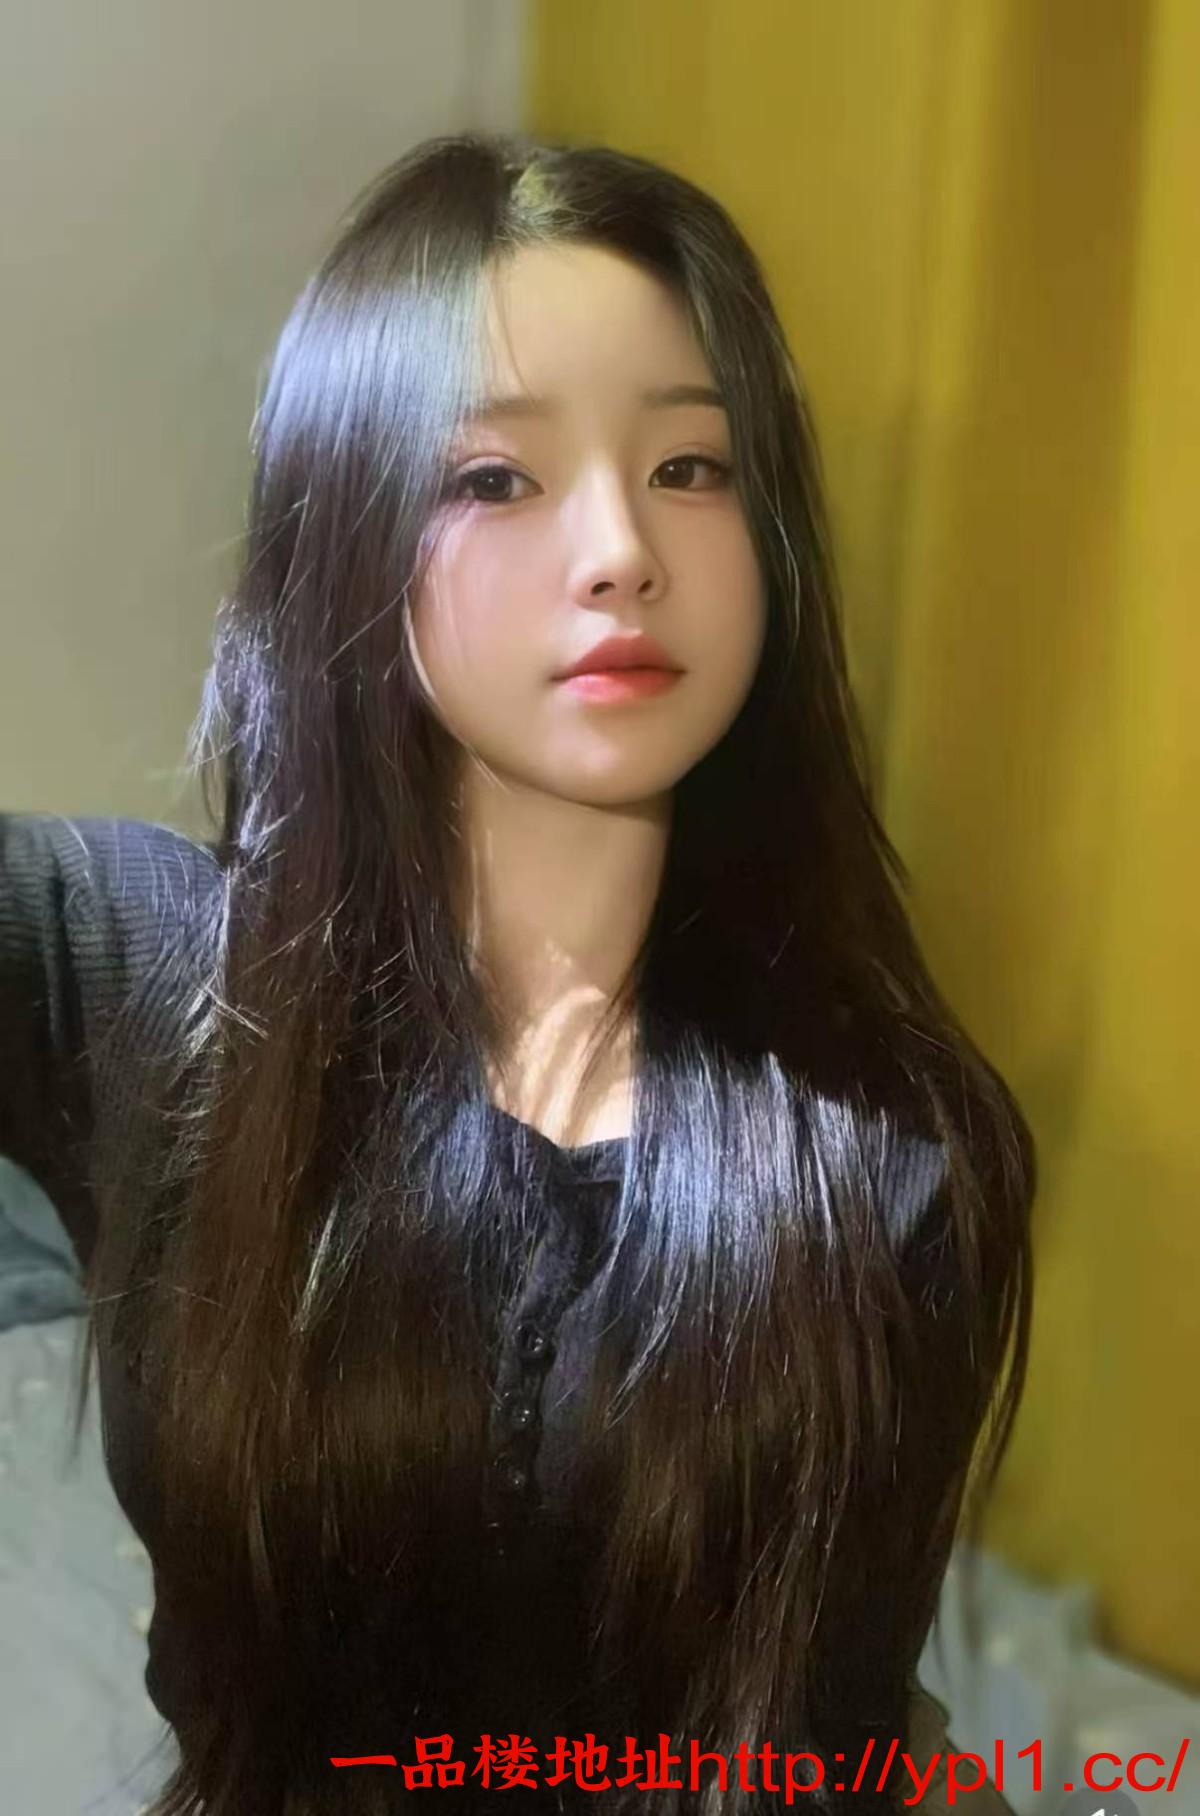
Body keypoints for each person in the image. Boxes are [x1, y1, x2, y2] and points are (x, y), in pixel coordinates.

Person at [0, 131, 1034, 1814]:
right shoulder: (148, 975)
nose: (622, 546)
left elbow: (839, 1737)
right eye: (495, 478)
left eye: (691, 467)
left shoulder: (893, 1149)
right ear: (347, 525)